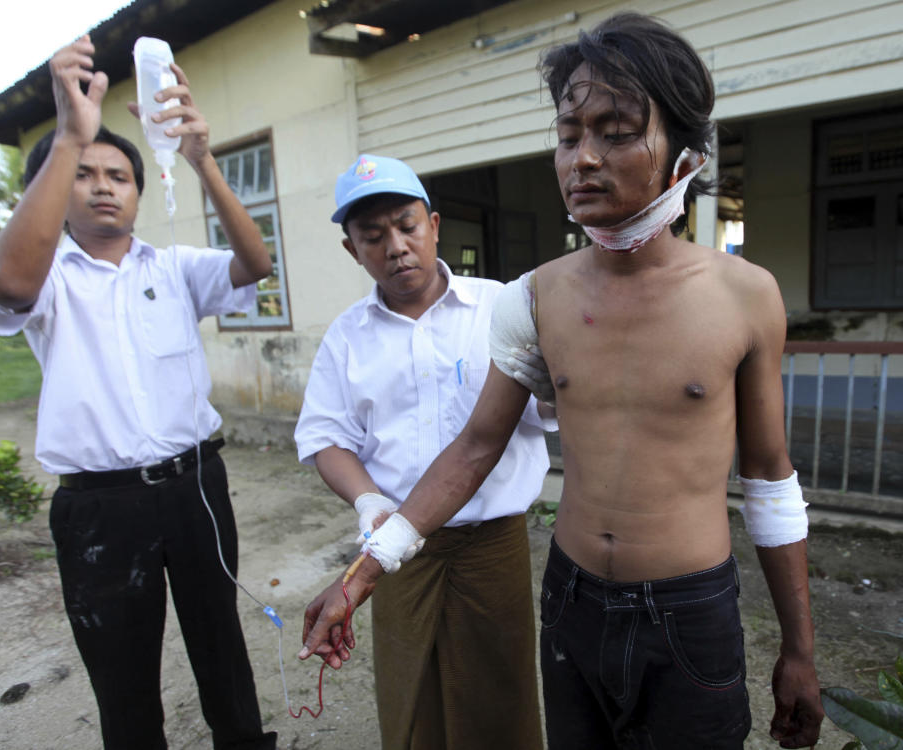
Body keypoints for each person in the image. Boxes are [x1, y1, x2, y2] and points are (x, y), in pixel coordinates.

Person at [299, 13, 824, 750]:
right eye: (570, 133)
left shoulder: (745, 296)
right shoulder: (535, 297)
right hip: (571, 601)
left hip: (689, 611)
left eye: (616, 132)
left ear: (684, 153)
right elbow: (474, 448)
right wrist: (362, 573)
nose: (583, 158)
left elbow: (769, 478)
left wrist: (799, 652)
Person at [0, 36, 276, 750]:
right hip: (101, 507)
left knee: (221, 648)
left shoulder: (172, 268)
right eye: (82, 172)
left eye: (118, 173)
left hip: (196, 484)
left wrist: (201, 159)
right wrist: (70, 134)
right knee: (123, 676)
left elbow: (255, 263)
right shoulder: (42, 273)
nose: (103, 184)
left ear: (141, 191)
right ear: (54, 188)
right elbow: (10, 288)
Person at [293, 154, 557, 749]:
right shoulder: (346, 337)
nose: (395, 246)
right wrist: (366, 501)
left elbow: (547, 406)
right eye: (372, 235)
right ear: (351, 249)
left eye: (406, 225)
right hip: (397, 555)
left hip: (492, 546)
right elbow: (325, 437)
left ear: (434, 224)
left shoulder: (502, 308)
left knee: (503, 699)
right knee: (412, 699)